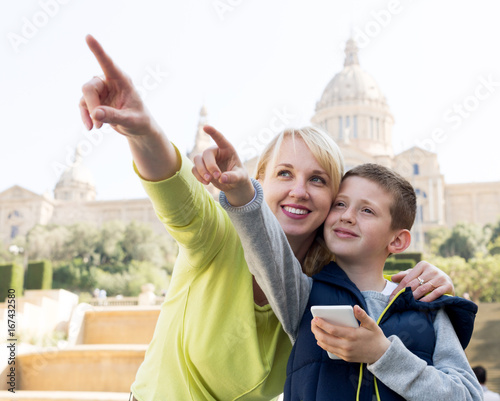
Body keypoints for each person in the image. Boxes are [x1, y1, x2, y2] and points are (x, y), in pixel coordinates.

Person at [79, 35, 455, 401]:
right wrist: (144, 131)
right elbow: (176, 191)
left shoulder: (324, 283)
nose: (299, 191)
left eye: (318, 180)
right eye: (284, 173)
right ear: (256, 182)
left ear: (334, 199)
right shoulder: (219, 234)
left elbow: (374, 281)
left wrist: (428, 281)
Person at [212, 157, 482, 399]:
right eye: (340, 204)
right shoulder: (302, 293)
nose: (347, 217)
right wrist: (241, 193)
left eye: (367, 210)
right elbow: (266, 250)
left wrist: (383, 355)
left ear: (398, 240)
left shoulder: (429, 306)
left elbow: (469, 396)